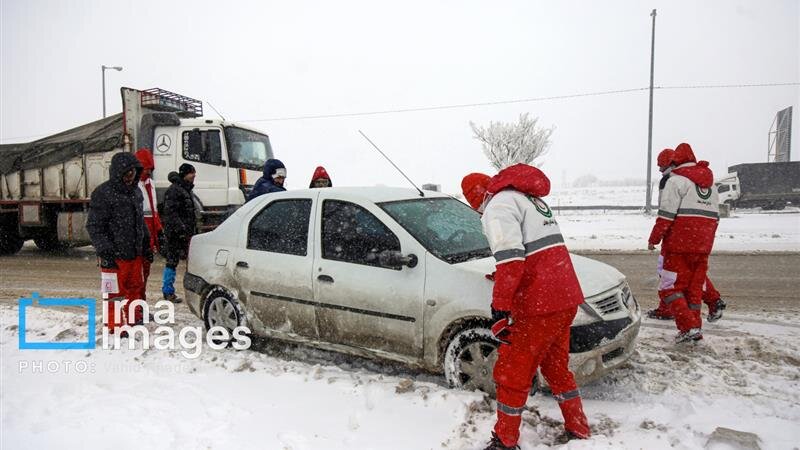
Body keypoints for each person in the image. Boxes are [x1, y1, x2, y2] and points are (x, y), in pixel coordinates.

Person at [462, 164, 590, 450]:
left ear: (476, 200)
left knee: (511, 372)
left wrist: (500, 307)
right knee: (557, 368)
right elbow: (537, 253)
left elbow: (512, 261)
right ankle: (578, 428)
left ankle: (505, 441)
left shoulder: (497, 207)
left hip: (538, 305)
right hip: (564, 296)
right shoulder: (528, 199)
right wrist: (508, 276)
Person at [648, 143, 720, 342]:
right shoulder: (711, 186)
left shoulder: (675, 181)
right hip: (703, 246)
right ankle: (695, 327)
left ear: (675, 161)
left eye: (662, 167)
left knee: (669, 288)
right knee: (693, 290)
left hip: (679, 246)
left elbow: (666, 216)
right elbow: (716, 218)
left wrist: (654, 239)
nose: (662, 171)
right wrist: (704, 241)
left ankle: (688, 327)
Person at [86, 152, 152, 332]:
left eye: (133, 173)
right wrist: (104, 250)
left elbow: (140, 221)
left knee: (134, 288)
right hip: (114, 256)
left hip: (134, 253)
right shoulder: (103, 193)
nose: (130, 177)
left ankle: (133, 319)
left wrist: (147, 244)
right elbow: (94, 226)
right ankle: (115, 326)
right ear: (118, 172)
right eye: (127, 173)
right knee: (114, 294)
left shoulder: (136, 192)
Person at [161, 163, 197, 303]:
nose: (194, 175)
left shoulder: (185, 189)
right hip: (176, 234)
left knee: (183, 261)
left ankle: (188, 291)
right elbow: (171, 214)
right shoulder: (175, 190)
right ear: (184, 174)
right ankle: (168, 291)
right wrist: (181, 229)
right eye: (191, 173)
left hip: (184, 232)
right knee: (172, 262)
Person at [134, 148, 163, 301]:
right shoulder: (133, 186)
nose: (149, 172)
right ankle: (136, 308)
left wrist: (159, 231)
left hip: (150, 229)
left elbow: (154, 210)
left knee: (145, 273)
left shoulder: (150, 183)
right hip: (141, 231)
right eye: (146, 169)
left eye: (150, 169)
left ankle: (141, 305)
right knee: (137, 275)